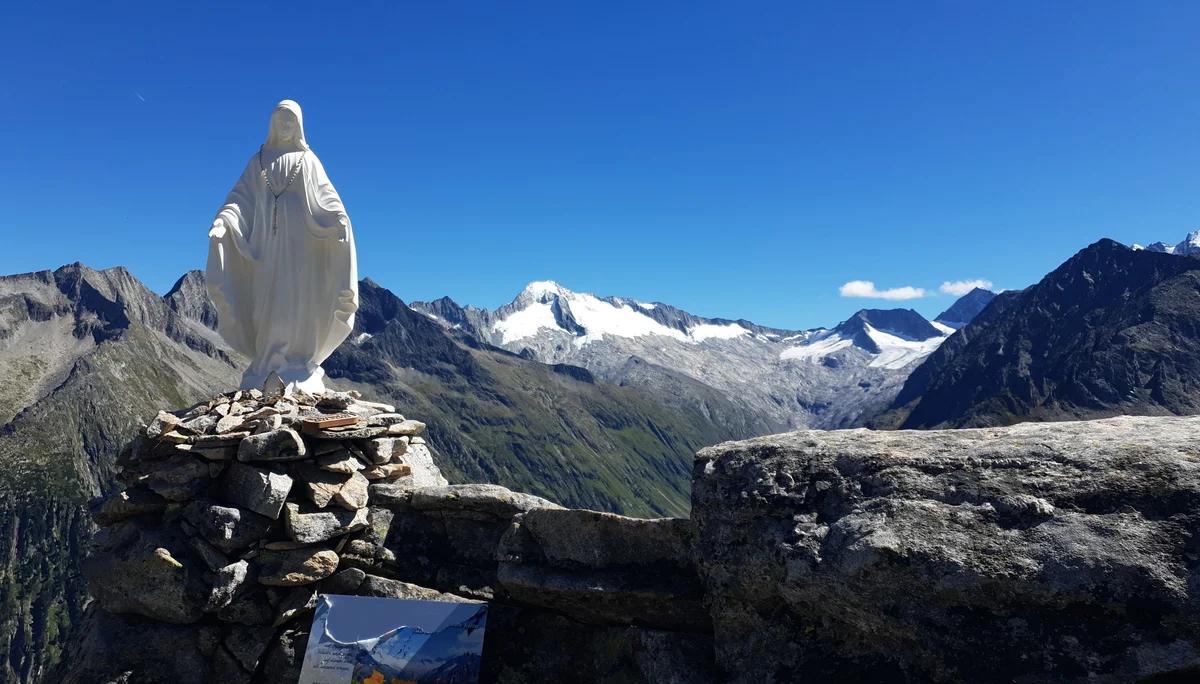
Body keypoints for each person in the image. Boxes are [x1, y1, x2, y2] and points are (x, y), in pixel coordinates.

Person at [206, 100, 358, 393]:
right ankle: (267, 360)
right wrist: (224, 221)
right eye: (281, 121)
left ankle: (298, 359)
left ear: (299, 126)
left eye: (291, 121)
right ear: (273, 124)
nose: (286, 126)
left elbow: (327, 197)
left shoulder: (308, 161)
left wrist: (338, 219)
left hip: (301, 245)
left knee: (297, 298)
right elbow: (240, 199)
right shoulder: (258, 161)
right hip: (264, 247)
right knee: (265, 299)